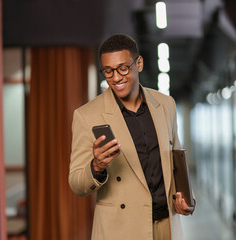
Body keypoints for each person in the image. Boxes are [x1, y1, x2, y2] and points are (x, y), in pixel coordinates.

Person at [68, 34, 195, 240]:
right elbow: (76, 183)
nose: (116, 77)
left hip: (166, 224)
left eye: (123, 68)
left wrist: (187, 198)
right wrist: (96, 167)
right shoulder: (87, 115)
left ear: (139, 63)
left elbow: (176, 160)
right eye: (108, 71)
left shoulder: (166, 104)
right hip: (121, 228)